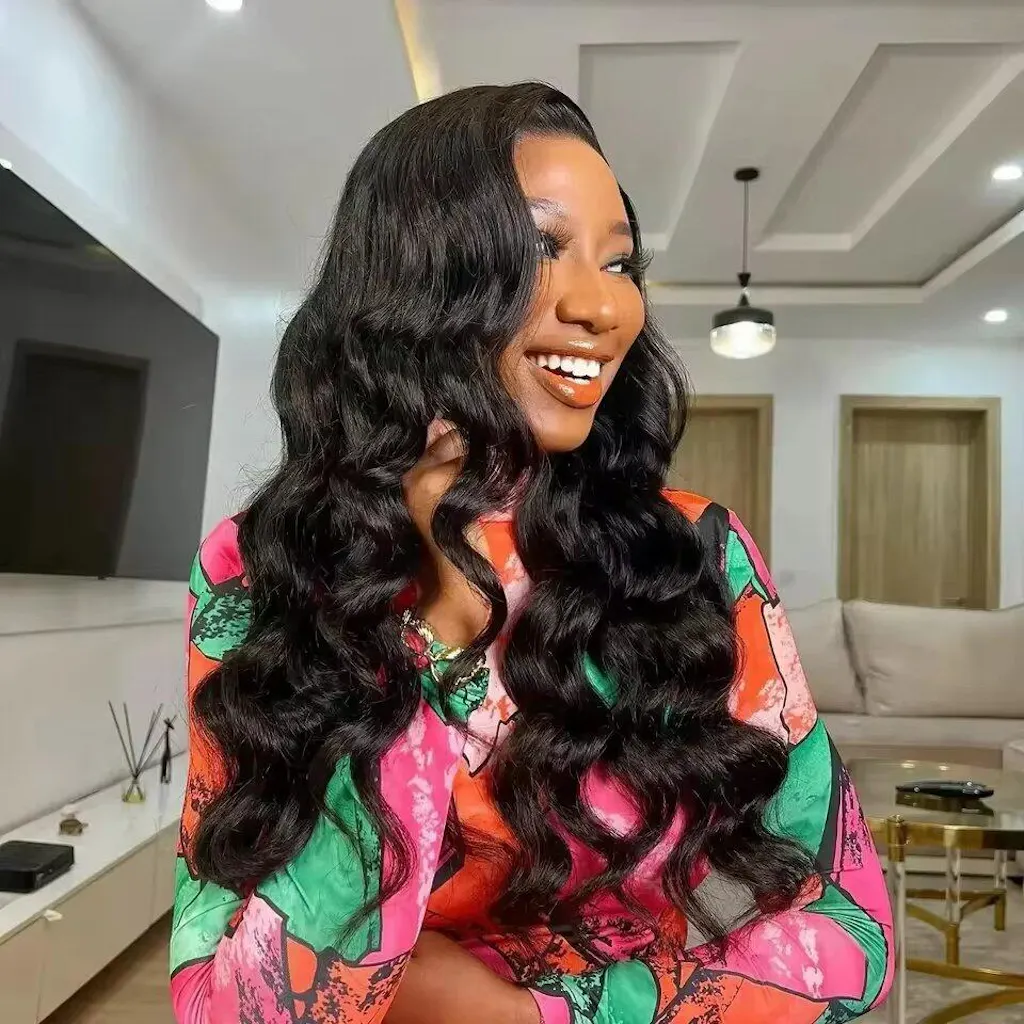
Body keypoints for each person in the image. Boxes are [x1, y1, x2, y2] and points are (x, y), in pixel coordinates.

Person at [169, 83, 893, 1024]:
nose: (604, 305)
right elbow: (225, 1003)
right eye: (544, 247)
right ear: (418, 276)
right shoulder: (259, 566)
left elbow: (849, 936)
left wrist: (524, 1014)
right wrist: (419, 625)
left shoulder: (697, 556)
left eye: (620, 261)